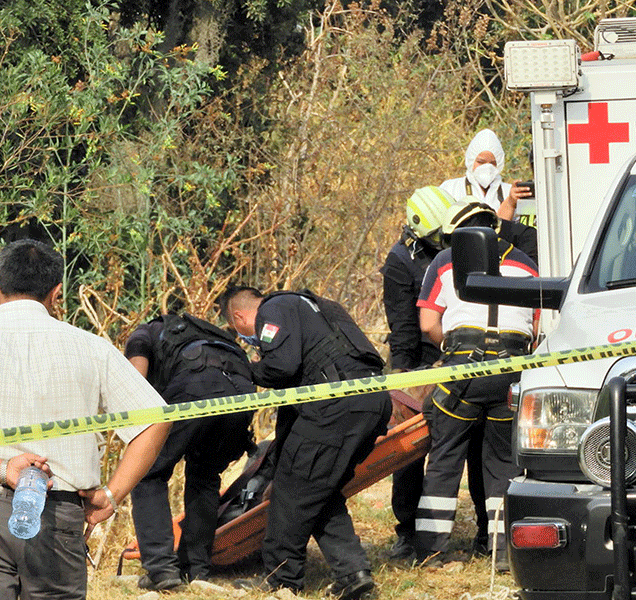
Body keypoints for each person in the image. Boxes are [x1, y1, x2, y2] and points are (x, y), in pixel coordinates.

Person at [0, 238, 171, 600]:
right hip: (58, 514)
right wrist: (112, 493)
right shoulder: (91, 348)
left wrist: (1, 468)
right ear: (57, 292)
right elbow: (156, 419)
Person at [219, 286, 391, 600]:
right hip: (372, 402)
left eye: (238, 332)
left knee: (291, 486)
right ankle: (354, 574)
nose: (247, 339)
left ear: (238, 316)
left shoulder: (273, 309)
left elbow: (281, 367)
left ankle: (281, 580)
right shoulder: (314, 306)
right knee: (318, 488)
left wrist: (244, 369)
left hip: (335, 405)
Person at [414, 202, 537, 570]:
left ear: (458, 232)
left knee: (445, 460)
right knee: (503, 465)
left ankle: (431, 552)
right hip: (511, 373)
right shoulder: (527, 263)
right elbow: (537, 325)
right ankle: (503, 553)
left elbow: (426, 323)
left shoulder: (446, 260)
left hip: (463, 374)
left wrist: (450, 350)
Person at [380, 185, 491, 561]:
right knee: (410, 454)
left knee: (477, 447)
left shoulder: (459, 251)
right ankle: (408, 531)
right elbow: (403, 326)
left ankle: (485, 530)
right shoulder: (400, 261)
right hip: (422, 362)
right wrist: (406, 377)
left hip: (463, 358)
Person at [124, 310, 257, 590]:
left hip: (196, 387)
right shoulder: (206, 332)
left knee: (146, 473)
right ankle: (196, 570)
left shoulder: (143, 333)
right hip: (243, 395)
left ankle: (161, 569)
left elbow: (134, 383)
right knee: (205, 476)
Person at [439, 128, 536, 224]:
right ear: (470, 160)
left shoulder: (510, 193)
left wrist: (511, 203)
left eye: (492, 163)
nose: (487, 167)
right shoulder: (450, 189)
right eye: (481, 162)